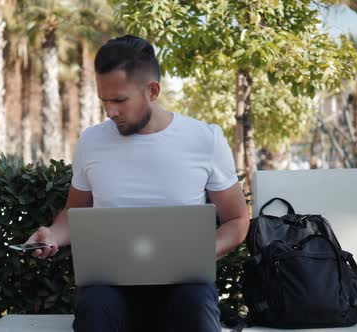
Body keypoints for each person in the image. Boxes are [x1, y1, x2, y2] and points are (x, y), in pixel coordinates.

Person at [25, 35, 250, 332]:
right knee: (94, 311)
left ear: (152, 91)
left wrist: (202, 251)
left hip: (184, 286)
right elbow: (74, 213)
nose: (110, 111)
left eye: (119, 100)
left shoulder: (204, 139)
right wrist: (52, 234)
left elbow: (237, 218)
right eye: (103, 100)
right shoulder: (91, 142)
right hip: (110, 287)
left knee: (195, 308)